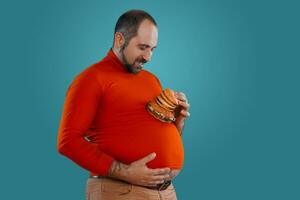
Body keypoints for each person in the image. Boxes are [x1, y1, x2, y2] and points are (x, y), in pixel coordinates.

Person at [57, 9, 190, 200]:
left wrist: (177, 122)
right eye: (142, 47)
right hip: (120, 191)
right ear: (120, 40)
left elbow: (157, 135)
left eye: (152, 49)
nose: (148, 57)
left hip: (166, 192)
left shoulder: (151, 80)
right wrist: (125, 171)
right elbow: (67, 142)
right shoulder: (91, 79)